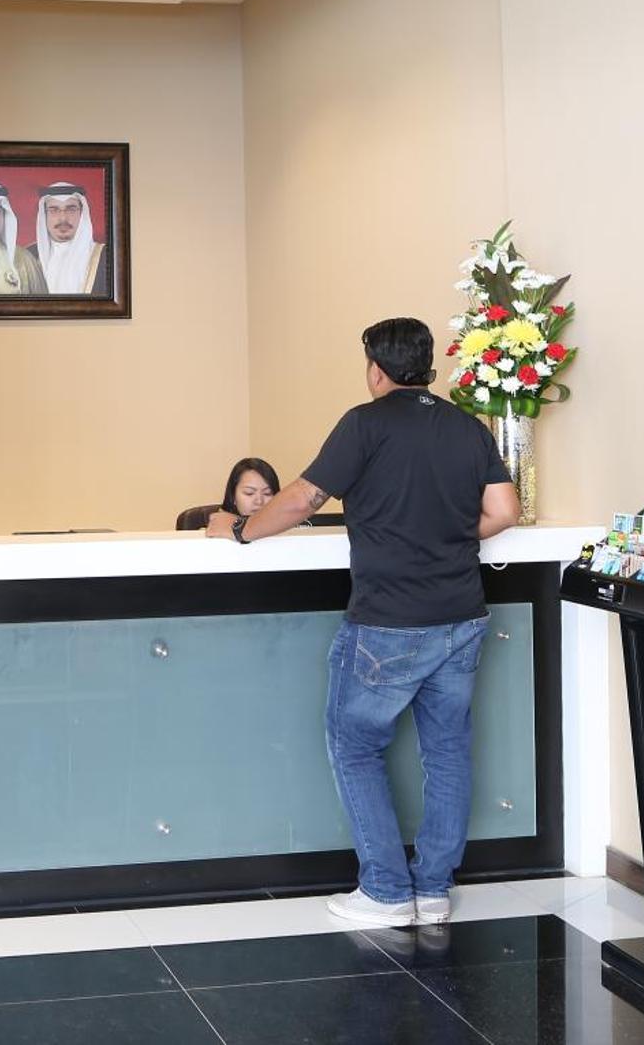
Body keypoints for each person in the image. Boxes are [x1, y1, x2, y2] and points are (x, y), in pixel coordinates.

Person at [208, 317, 518, 928]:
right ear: (427, 366)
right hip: (462, 616)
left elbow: (301, 499)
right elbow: (505, 511)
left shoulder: (365, 423)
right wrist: (448, 536)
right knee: (448, 753)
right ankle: (432, 892)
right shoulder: (467, 427)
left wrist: (240, 528)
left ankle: (383, 889)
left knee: (354, 747)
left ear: (376, 368)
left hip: (388, 620)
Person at [23, 182, 110, 295]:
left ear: (82, 214)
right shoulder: (29, 256)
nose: (63, 218)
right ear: (44, 215)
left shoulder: (106, 256)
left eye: (71, 209)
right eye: (54, 210)